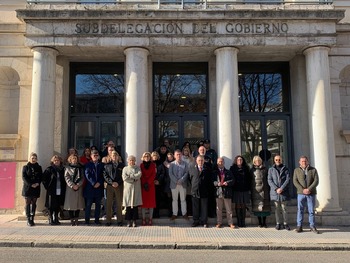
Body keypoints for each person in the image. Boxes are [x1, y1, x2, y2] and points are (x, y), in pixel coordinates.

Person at [293, 155, 319, 234]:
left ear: (308, 161)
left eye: (305, 161)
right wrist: (303, 190)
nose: (304, 162)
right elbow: (295, 181)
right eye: (302, 161)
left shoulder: (313, 170)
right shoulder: (296, 170)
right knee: (300, 210)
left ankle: (312, 226)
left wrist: (309, 189)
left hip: (311, 193)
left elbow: (316, 181)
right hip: (301, 193)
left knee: (311, 211)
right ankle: (299, 226)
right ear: (299, 162)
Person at [267, 155, 291, 230]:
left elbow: (288, 179)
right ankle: (278, 223)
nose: (278, 161)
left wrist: (281, 188)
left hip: (283, 192)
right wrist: (276, 188)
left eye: (279, 159)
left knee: (284, 209)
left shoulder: (286, 169)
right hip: (275, 192)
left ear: (281, 160)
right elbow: (269, 180)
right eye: (276, 160)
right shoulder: (271, 169)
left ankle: (285, 223)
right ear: (274, 160)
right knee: (277, 209)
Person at [189, 155, 212, 227]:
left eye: (202, 160)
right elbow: (190, 179)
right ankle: (195, 221)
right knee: (195, 207)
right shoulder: (192, 168)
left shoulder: (207, 169)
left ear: (204, 161)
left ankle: (204, 221)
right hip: (195, 190)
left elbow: (209, 180)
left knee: (204, 207)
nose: (200, 162)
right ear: (196, 161)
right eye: (199, 160)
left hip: (204, 191)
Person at [42, 155, 66, 225]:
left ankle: (56, 218)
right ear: (52, 161)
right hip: (51, 190)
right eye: (55, 160)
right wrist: (47, 187)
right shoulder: (49, 169)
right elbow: (44, 179)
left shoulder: (62, 169)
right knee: (51, 205)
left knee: (58, 205)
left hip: (60, 190)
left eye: (58, 160)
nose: (56, 162)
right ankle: (50, 218)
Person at [103, 150, 125, 226]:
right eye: (113, 156)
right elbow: (105, 176)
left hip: (119, 186)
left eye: (116, 155)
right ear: (111, 157)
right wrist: (111, 182)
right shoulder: (106, 165)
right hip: (110, 186)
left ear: (118, 157)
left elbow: (123, 176)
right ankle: (108, 220)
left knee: (119, 203)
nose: (114, 157)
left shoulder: (122, 165)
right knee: (109, 203)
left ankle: (119, 220)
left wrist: (117, 183)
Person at [83, 150, 104, 225]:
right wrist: (93, 183)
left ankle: (97, 220)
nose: (95, 156)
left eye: (97, 155)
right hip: (90, 188)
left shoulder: (101, 165)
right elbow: (87, 175)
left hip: (99, 188)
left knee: (98, 205)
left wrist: (99, 183)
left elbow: (103, 175)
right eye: (94, 155)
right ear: (91, 156)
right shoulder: (88, 164)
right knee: (88, 205)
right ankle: (87, 221)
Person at [213, 157, 235, 228]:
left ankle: (230, 223)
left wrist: (227, 183)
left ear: (224, 163)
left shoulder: (228, 172)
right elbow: (212, 181)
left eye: (222, 162)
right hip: (218, 192)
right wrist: (217, 184)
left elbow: (233, 180)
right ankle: (219, 222)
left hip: (227, 192)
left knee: (229, 209)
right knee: (218, 209)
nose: (220, 163)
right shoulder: (215, 172)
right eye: (219, 162)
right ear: (217, 163)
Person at [63, 154, 85, 226]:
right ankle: (72, 219)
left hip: (79, 188)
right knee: (71, 205)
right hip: (70, 189)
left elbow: (82, 177)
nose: (74, 160)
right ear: (70, 159)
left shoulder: (80, 168)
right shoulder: (67, 168)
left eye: (75, 158)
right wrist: (72, 185)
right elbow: (67, 177)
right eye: (73, 158)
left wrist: (78, 185)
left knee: (78, 204)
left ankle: (76, 219)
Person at [22, 152, 42, 226]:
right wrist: (31, 184)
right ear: (30, 158)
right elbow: (24, 177)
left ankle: (32, 218)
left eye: (35, 158)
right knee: (28, 203)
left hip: (36, 188)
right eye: (32, 158)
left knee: (34, 203)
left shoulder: (39, 167)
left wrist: (37, 183)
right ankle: (28, 218)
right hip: (28, 188)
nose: (34, 159)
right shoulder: (25, 167)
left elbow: (40, 177)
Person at [230, 155, 251, 227]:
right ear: (236, 161)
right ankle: (239, 221)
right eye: (238, 160)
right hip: (236, 189)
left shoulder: (246, 168)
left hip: (244, 189)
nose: (239, 161)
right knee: (238, 205)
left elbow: (249, 179)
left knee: (243, 205)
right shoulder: (232, 168)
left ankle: (243, 221)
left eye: (241, 160)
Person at [250, 155, 271, 228]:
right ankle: (259, 222)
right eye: (256, 161)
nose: (257, 162)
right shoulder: (252, 170)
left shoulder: (265, 169)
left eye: (259, 160)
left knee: (265, 207)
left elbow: (268, 179)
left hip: (264, 190)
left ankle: (264, 222)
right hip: (255, 190)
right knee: (257, 207)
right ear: (254, 162)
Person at [122, 155, 142, 227]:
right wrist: (133, 178)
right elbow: (124, 177)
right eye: (130, 160)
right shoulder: (125, 168)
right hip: (128, 189)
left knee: (135, 206)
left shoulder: (137, 168)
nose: (131, 162)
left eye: (133, 160)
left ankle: (134, 221)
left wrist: (130, 176)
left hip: (136, 189)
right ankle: (128, 221)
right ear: (128, 161)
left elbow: (139, 175)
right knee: (128, 206)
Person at [169, 149, 189, 220]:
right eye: (177, 154)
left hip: (183, 184)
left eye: (180, 154)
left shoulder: (185, 163)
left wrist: (181, 180)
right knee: (174, 200)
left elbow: (187, 173)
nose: (178, 156)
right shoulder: (171, 164)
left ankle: (184, 214)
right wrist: (176, 181)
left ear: (182, 155)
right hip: (174, 184)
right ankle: (174, 214)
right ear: (174, 156)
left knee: (183, 200)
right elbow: (170, 174)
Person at [139, 152, 157, 226]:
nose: (146, 157)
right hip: (143, 186)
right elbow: (141, 174)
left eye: (148, 156)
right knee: (144, 203)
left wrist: (148, 183)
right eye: (145, 156)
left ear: (150, 157)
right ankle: (143, 219)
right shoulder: (141, 165)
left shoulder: (153, 165)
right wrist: (144, 183)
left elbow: (153, 174)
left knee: (151, 203)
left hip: (150, 186)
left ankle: (150, 219)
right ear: (143, 157)